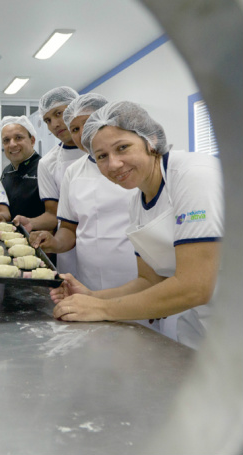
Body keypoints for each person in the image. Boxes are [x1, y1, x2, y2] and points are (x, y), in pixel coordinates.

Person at [51, 101, 223, 349]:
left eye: (122, 148)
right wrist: (90, 296)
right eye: (101, 157)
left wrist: (102, 307)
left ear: (151, 140)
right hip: (201, 324)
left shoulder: (193, 176)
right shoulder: (137, 202)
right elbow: (149, 280)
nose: (114, 164)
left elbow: (195, 286)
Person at [29, 94, 137, 291]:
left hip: (136, 277)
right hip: (88, 279)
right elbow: (69, 229)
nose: (81, 134)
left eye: (88, 124)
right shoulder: (73, 172)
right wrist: (53, 242)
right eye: (75, 129)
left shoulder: (135, 164)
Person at [13, 87, 81, 275]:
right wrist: (31, 222)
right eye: (48, 120)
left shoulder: (105, 151)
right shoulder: (48, 163)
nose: (55, 124)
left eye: (59, 114)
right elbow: (53, 214)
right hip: (69, 248)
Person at [0, 115, 45, 219]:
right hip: (11, 234)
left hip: (38, 234)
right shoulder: (6, 172)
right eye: (6, 140)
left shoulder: (44, 167)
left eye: (18, 138)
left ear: (32, 140)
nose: (12, 144)